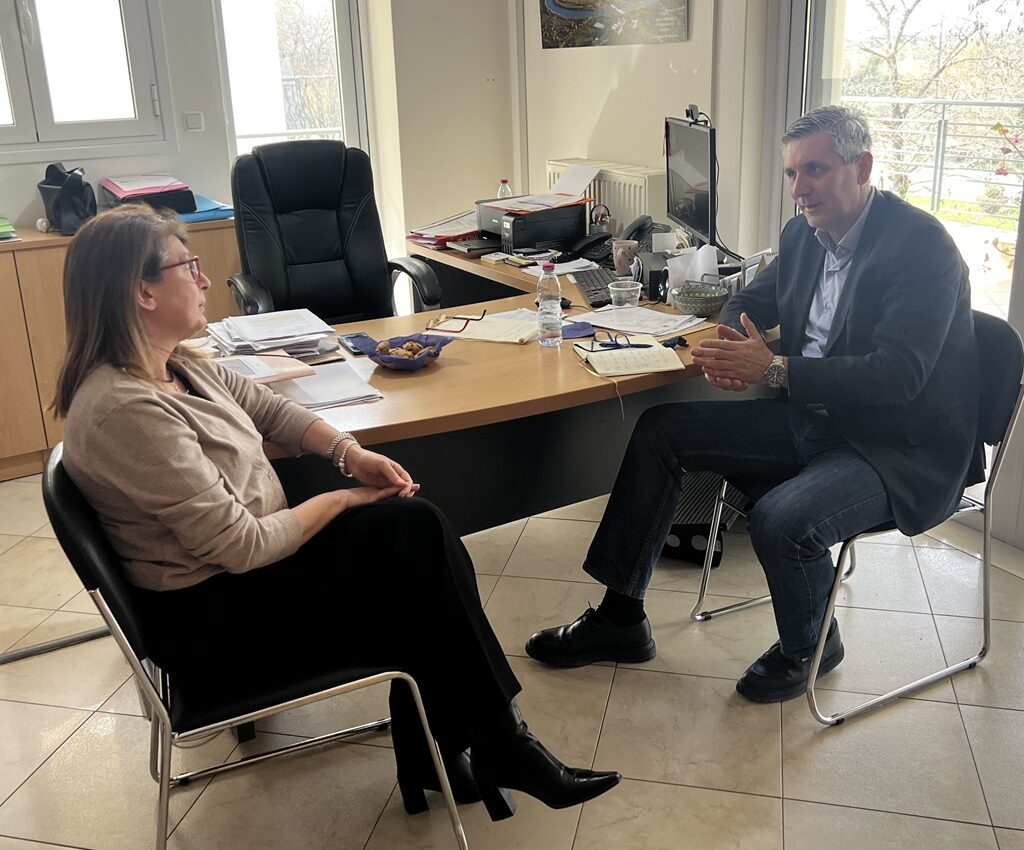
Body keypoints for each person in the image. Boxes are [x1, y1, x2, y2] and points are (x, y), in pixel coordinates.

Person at [54, 204, 619, 820]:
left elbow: (270, 409)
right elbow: (241, 546)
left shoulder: (178, 364)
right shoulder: (126, 410)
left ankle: (471, 745)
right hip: (216, 627)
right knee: (419, 569)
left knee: (417, 532)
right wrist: (343, 496)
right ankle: (489, 743)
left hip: (248, 581)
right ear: (142, 292)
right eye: (188, 267)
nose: (205, 278)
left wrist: (350, 454)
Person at [525, 105, 982, 702]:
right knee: (662, 430)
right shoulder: (803, 235)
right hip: (815, 419)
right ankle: (621, 619)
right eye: (792, 173)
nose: (799, 189)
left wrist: (773, 368)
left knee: (780, 519)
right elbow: (748, 304)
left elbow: (899, 376)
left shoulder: (921, 247)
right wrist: (721, 342)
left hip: (897, 447)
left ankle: (812, 645)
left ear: (862, 167)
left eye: (814, 170)